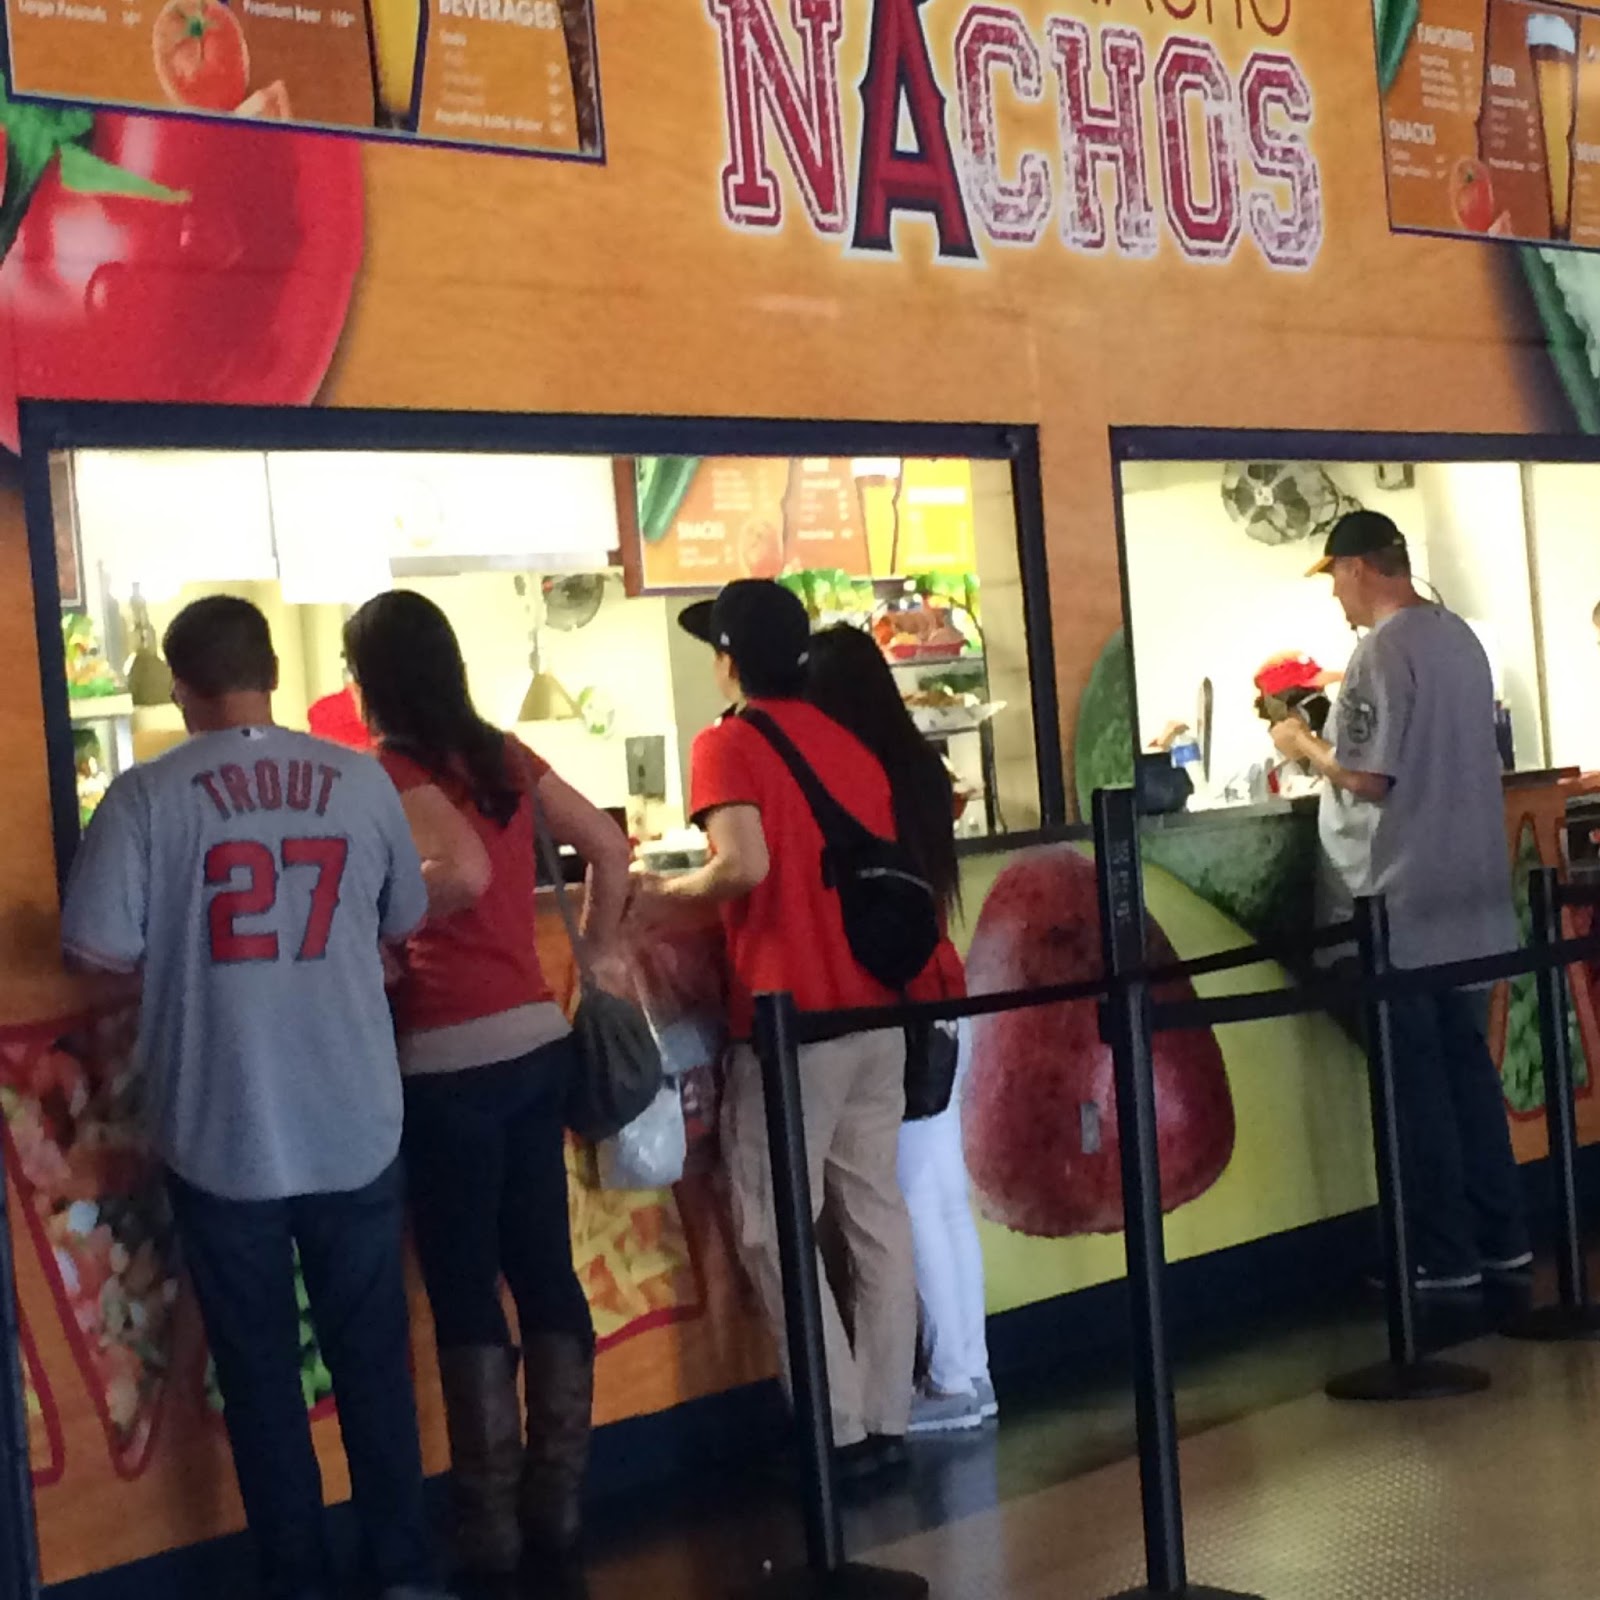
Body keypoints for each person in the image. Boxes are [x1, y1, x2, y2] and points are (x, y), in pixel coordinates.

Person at [58, 596, 452, 1600]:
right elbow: (405, 912)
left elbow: (96, 948)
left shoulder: (148, 797)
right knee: (374, 1364)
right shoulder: (361, 781)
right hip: (355, 1116)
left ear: (181, 688)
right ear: (273, 669)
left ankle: (298, 1578)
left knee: (264, 1380)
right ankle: (404, 1573)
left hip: (220, 1128)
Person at [343, 590, 631, 1587]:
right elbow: (608, 843)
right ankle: (556, 1507)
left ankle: (490, 1529)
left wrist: (382, 926)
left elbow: (454, 874)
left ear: (368, 679)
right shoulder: (505, 755)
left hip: (443, 1063)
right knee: (544, 1269)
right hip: (533, 1044)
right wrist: (593, 948)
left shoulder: (393, 771)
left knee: (466, 1287)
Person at [640, 580, 918, 1478]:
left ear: (727, 658)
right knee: (875, 1214)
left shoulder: (727, 741)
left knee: (771, 1225)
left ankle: (834, 1428)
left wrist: (659, 897)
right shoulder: (848, 742)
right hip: (877, 1015)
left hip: (790, 1018)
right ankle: (886, 1418)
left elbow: (742, 864)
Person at [1271, 510, 1530, 1291]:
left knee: (1415, 1088)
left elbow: (1369, 776)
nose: (1338, 600)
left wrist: (1302, 746)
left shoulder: (1381, 652)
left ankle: (1443, 1257)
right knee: (1470, 1077)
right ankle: (1504, 1237)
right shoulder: (1459, 637)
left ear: (1356, 568)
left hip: (1400, 903)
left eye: (1336, 580)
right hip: (1472, 896)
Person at [805, 623, 995, 1437]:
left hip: (903, 1003)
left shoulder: (849, 777)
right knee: (942, 1195)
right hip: (945, 988)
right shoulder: (917, 768)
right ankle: (968, 1371)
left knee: (916, 1197)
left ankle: (955, 1380)